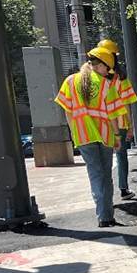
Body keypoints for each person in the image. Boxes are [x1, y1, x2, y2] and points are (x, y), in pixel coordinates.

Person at [55, 45, 123, 228]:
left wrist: (73, 132)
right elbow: (113, 114)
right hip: (105, 135)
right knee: (106, 176)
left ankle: (103, 216)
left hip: (83, 136)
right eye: (106, 68)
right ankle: (107, 216)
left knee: (95, 175)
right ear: (100, 65)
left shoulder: (70, 81)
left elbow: (67, 111)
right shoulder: (105, 84)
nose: (107, 72)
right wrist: (117, 136)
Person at [98, 38, 137, 199]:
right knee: (121, 156)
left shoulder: (95, 79)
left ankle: (104, 194)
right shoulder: (122, 78)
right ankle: (123, 189)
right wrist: (130, 127)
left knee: (103, 160)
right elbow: (127, 104)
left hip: (100, 124)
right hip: (120, 122)